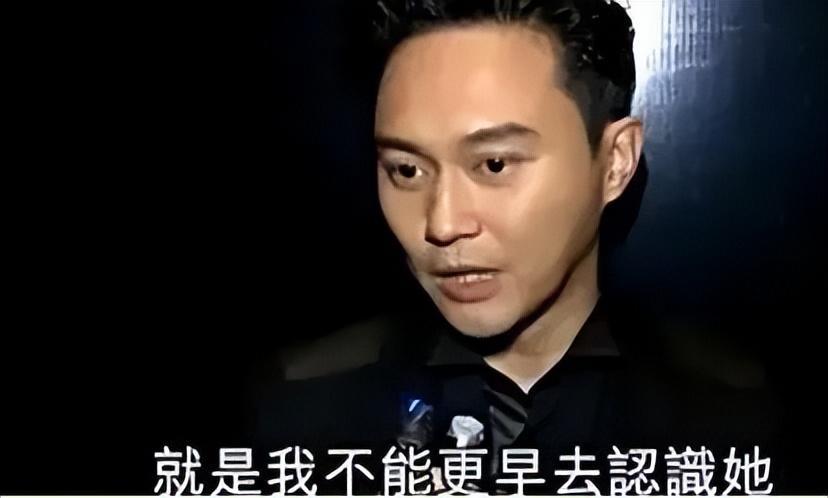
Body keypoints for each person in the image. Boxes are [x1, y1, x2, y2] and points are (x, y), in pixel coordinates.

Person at [255, 1, 780, 493]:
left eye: (495, 164)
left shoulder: (737, 418)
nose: (442, 224)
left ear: (616, 161)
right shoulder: (299, 410)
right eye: (407, 170)